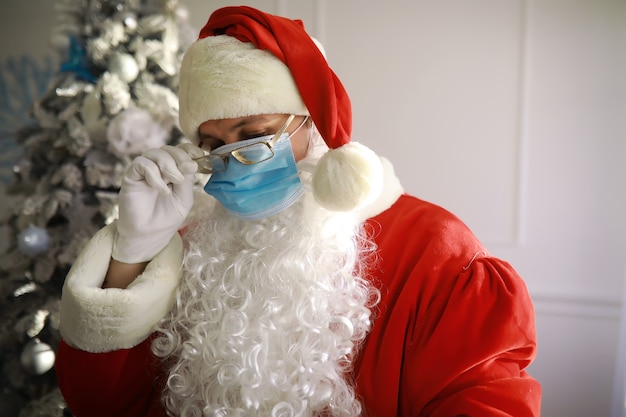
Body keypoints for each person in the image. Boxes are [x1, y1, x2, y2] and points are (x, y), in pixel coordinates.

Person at [55, 5, 541, 417]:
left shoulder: (437, 250)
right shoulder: (193, 242)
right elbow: (103, 405)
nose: (234, 165)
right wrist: (135, 249)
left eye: (253, 136)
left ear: (316, 121)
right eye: (212, 146)